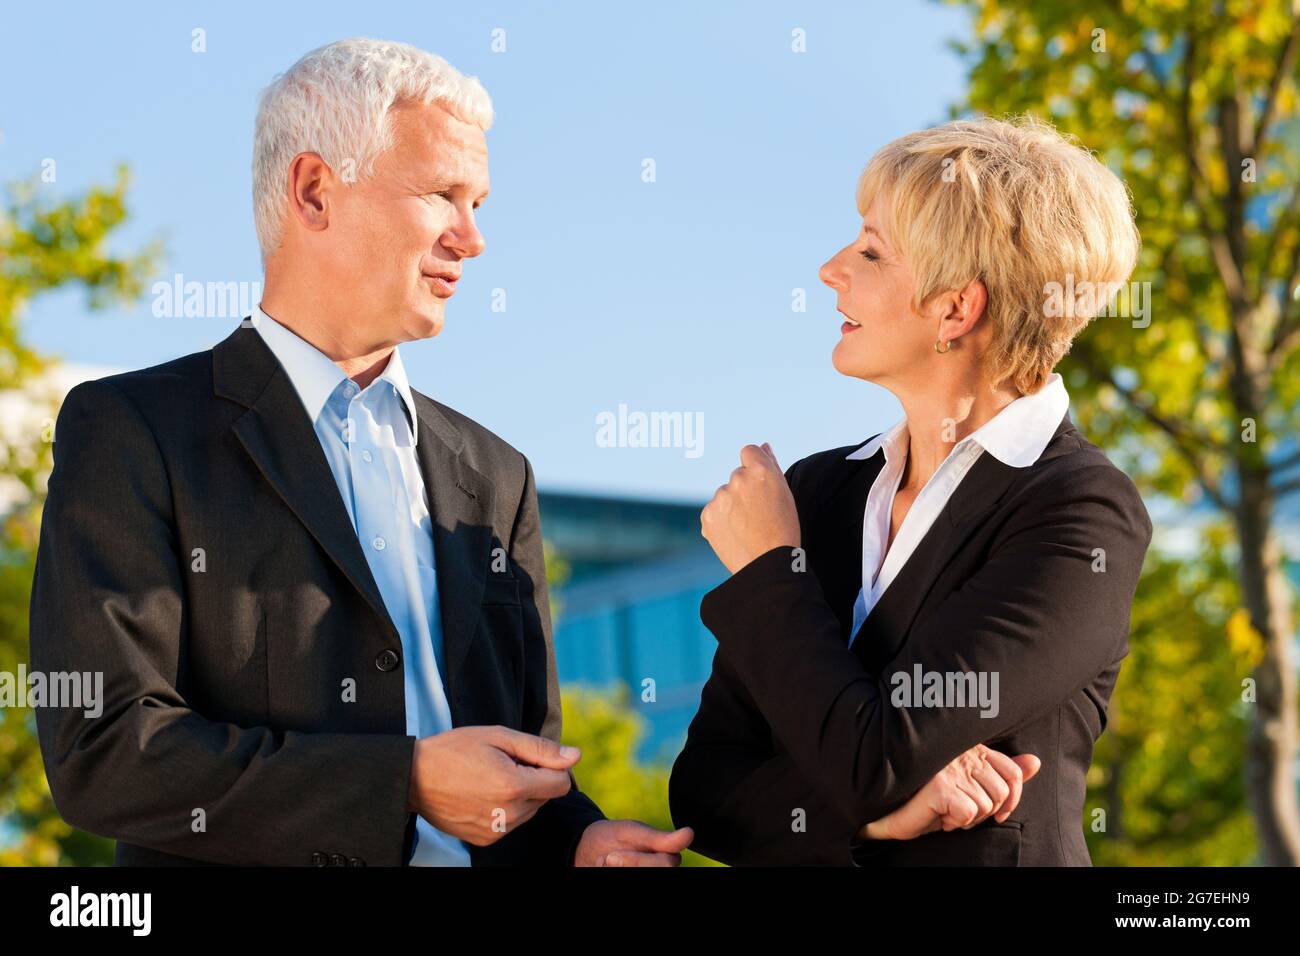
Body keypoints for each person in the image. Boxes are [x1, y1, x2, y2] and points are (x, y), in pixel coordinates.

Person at [30, 37, 690, 868]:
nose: (473, 237)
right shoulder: (132, 429)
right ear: (314, 192)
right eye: (445, 195)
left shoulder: (497, 475)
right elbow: (107, 754)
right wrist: (403, 781)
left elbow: (517, 763)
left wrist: (578, 841)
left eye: (480, 202)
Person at [669, 115, 1151, 866]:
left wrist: (770, 573)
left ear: (956, 309)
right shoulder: (819, 490)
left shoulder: (1080, 514)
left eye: (870, 250)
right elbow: (706, 788)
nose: (832, 269)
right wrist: (874, 818)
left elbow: (878, 759)